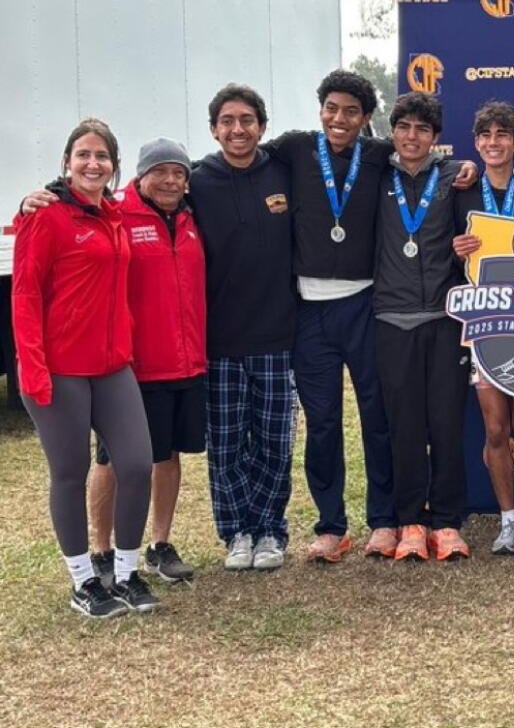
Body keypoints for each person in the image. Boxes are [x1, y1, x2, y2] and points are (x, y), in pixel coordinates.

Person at [12, 120, 157, 617]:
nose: (92, 164)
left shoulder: (114, 214)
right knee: (70, 473)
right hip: (61, 368)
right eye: (83, 155)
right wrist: (33, 370)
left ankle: (125, 573)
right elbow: (25, 294)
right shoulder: (45, 216)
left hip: (113, 366)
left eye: (102, 156)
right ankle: (83, 582)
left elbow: (167, 186)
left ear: (115, 167)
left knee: (137, 465)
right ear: (67, 163)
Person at [263, 70, 398, 563]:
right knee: (322, 424)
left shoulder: (381, 155)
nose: (339, 119)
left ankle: (383, 520)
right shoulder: (295, 148)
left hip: (364, 305)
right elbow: (234, 161)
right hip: (309, 313)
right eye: (331, 109)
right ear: (320, 109)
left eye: (351, 112)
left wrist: (466, 169)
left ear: (365, 119)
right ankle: (331, 526)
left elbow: (433, 166)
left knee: (375, 417)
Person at [86, 139, 207, 586]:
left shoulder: (195, 216)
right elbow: (69, 206)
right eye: (161, 172)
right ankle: (101, 549)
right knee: (113, 459)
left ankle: (159, 544)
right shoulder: (116, 213)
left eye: (179, 172)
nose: (171, 180)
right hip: (131, 365)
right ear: (141, 175)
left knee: (167, 455)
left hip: (186, 361)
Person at [190, 84, 297, 571]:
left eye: (247, 120)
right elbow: (136, 200)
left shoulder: (283, 171)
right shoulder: (196, 180)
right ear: (214, 129)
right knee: (228, 444)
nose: (238, 129)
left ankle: (271, 530)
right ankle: (237, 532)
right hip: (219, 342)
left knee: (275, 441)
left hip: (277, 337)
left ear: (262, 126)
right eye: (228, 121)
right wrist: (54, 192)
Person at [374, 92, 473, 563]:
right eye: (404, 127)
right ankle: (410, 519)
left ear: (436, 138)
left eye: (422, 129)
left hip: (444, 317)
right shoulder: (376, 175)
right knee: (406, 425)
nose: (412, 137)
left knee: (447, 421)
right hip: (391, 318)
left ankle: (448, 521)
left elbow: (493, 194)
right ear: (393, 131)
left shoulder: (454, 176)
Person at [451, 101, 514, 555]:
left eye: (503, 135)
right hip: (483, 320)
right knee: (495, 428)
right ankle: (506, 519)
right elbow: (442, 251)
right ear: (476, 144)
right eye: (486, 135)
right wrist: (455, 248)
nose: (494, 143)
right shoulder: (460, 191)